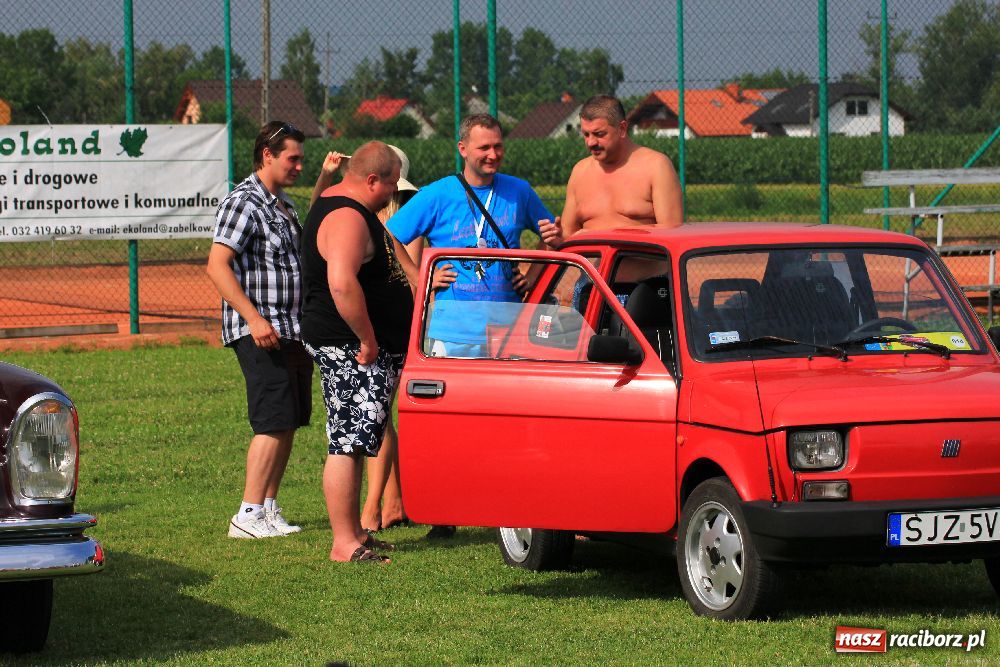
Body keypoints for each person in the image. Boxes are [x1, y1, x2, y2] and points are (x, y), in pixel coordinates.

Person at [386, 114, 558, 538]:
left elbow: (553, 238)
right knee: (446, 425)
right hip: (450, 329)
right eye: (484, 147)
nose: (493, 154)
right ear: (463, 149)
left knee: (508, 421)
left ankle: (510, 510)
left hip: (506, 328)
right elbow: (390, 236)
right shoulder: (438, 193)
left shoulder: (519, 192)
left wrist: (536, 268)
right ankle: (442, 515)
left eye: (498, 146)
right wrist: (420, 276)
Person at [300, 141, 412, 563]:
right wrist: (367, 338)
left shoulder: (338, 201)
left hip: (352, 343)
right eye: (389, 184)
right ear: (371, 180)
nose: (392, 193)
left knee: (355, 437)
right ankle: (344, 542)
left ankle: (354, 535)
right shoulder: (348, 216)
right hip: (349, 345)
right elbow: (342, 283)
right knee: (347, 442)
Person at [207, 120, 312, 539]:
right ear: (267, 155)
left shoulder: (283, 205)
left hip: (290, 329)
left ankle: (268, 507)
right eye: (293, 158)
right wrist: (253, 318)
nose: (299, 166)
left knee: (286, 418)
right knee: (271, 420)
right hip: (260, 330)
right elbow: (217, 264)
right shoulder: (244, 202)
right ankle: (247, 513)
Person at [547, 94, 683, 240]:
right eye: (586, 134)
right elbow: (569, 234)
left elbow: (672, 233)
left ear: (622, 128)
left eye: (599, 134)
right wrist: (557, 238)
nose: (591, 142)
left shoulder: (656, 166)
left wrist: (600, 235)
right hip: (593, 264)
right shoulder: (580, 171)